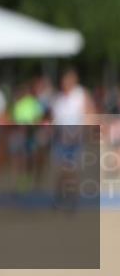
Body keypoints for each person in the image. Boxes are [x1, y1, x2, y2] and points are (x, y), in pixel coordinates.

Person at [50, 68, 95, 209]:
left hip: (76, 135)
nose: (65, 83)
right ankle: (60, 196)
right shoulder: (58, 98)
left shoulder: (81, 94)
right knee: (61, 169)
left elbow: (90, 113)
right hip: (61, 135)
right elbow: (54, 118)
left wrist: (85, 131)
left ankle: (71, 199)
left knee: (72, 169)